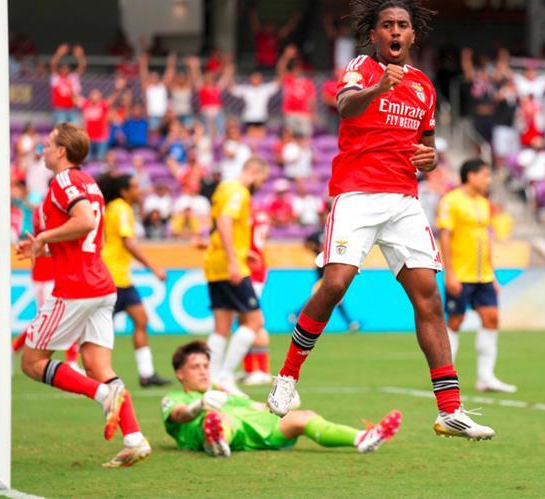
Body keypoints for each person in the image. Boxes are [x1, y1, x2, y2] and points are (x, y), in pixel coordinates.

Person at [266, 0, 495, 441]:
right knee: (335, 282)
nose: (395, 31)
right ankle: (287, 376)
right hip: (357, 193)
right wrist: (379, 87)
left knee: (429, 297)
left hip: (404, 200)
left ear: (413, 35)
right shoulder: (363, 69)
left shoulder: (424, 88)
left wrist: (430, 158)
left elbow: (425, 146)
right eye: (387, 24)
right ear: (374, 35)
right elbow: (347, 107)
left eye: (403, 25)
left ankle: (449, 409)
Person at [15, 123, 150, 467]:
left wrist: (44, 238)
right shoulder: (88, 182)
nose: (43, 150)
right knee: (95, 363)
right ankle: (134, 438)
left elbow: (86, 221)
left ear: (62, 151)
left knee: (31, 362)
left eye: (47, 145)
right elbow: (93, 238)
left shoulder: (64, 181)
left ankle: (104, 395)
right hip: (101, 284)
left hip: (76, 287)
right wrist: (45, 248)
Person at [162, 341, 401, 456]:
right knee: (218, 418)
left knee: (304, 417)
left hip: (256, 428)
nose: (204, 371)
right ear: (180, 373)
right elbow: (179, 414)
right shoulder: (172, 398)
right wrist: (198, 406)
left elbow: (258, 407)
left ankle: (363, 438)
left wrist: (282, 405)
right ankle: (216, 440)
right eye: (196, 367)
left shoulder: (223, 392)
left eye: (206, 365)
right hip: (227, 429)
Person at [437, 159, 515, 393]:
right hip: (460, 273)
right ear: (470, 175)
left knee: (491, 318)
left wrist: (493, 274)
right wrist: (449, 273)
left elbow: (486, 239)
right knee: (455, 321)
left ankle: (486, 377)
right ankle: (444, 379)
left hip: (483, 275)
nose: (488, 180)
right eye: (484, 175)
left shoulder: (484, 203)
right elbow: (445, 238)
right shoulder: (450, 201)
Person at [202, 158, 270, 394]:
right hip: (229, 264)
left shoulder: (223, 187)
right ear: (253, 171)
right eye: (262, 178)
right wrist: (234, 259)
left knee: (221, 326)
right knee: (255, 321)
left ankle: (210, 378)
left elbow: (218, 224)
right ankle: (225, 376)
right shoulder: (238, 191)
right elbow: (224, 220)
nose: (261, 184)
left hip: (215, 262)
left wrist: (243, 251)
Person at [98, 173, 171, 387]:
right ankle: (97, 372)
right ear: (124, 191)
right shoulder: (121, 208)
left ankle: (146, 373)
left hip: (120, 276)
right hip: (112, 277)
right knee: (101, 329)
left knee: (140, 319)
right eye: (135, 186)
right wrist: (153, 267)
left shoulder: (116, 207)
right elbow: (128, 242)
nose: (140, 190)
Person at [13, 204, 80, 372]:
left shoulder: (59, 207)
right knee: (48, 318)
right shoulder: (45, 208)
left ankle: (72, 362)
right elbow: (48, 235)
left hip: (59, 269)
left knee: (63, 315)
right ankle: (12, 350)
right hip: (46, 272)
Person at [241, 208, 273, 385]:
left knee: (253, 320)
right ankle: (249, 369)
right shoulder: (261, 215)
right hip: (255, 267)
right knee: (245, 320)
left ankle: (261, 370)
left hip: (251, 269)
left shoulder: (245, 216)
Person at [49, 43, 86, 124]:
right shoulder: (56, 78)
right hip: (60, 109)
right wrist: (59, 53)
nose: (65, 69)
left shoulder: (72, 78)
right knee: (61, 131)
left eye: (66, 68)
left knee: (74, 131)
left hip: (71, 108)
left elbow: (82, 67)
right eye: (62, 68)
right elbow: (52, 64)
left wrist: (80, 56)